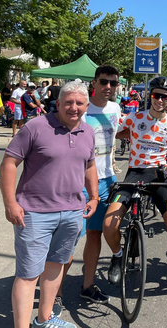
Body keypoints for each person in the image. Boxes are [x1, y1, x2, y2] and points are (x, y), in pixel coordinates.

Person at [0, 81, 99, 328]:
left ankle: (44, 319)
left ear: (87, 105)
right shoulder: (36, 127)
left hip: (72, 212)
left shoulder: (87, 132)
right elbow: (9, 163)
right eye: (68, 102)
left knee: (55, 265)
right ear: (58, 102)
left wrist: (94, 196)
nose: (73, 107)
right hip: (34, 213)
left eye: (79, 103)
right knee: (28, 274)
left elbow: (89, 166)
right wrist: (10, 203)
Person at [103, 77, 167, 302]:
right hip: (135, 173)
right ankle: (118, 256)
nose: (159, 100)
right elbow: (115, 133)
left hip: (159, 175)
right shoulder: (134, 117)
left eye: (164, 96)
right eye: (156, 95)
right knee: (109, 223)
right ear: (151, 95)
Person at [57, 66, 122, 308]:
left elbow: (121, 133)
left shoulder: (116, 109)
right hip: (78, 181)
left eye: (113, 83)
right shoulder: (83, 107)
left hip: (107, 180)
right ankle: (56, 294)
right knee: (70, 238)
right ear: (94, 82)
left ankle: (87, 285)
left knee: (96, 234)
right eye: (104, 82)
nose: (108, 87)